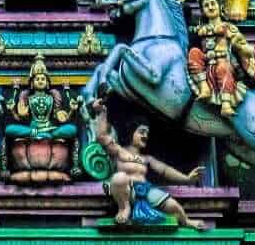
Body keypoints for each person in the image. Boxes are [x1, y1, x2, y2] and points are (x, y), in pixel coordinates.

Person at [88, 97, 205, 228]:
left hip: (146, 192)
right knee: (119, 178)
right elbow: (102, 136)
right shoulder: (119, 151)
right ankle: (124, 208)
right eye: (141, 132)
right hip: (125, 191)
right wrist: (102, 112)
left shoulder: (147, 159)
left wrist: (187, 179)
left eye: (147, 133)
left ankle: (186, 221)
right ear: (131, 132)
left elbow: (165, 170)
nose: (145, 136)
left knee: (174, 206)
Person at [186, 0, 255, 116]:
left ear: (220, 6)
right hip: (207, 65)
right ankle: (204, 87)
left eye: (213, 3)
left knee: (222, 68)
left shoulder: (228, 28)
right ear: (202, 11)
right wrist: (181, 4)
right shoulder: (200, 29)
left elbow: (240, 44)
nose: (210, 7)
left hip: (224, 62)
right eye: (206, 5)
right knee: (194, 52)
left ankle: (226, 104)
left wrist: (247, 50)